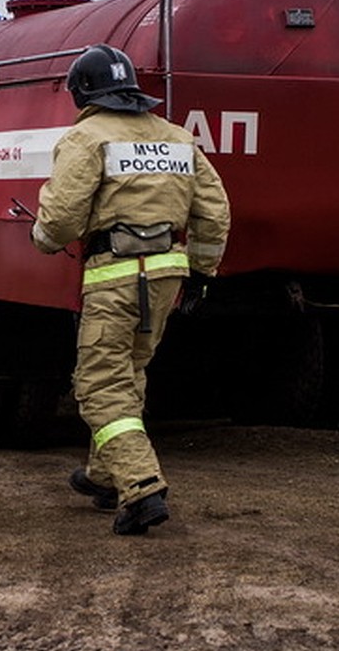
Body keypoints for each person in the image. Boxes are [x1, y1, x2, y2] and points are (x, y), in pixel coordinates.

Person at [31, 44, 231, 536]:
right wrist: (202, 273)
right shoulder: (177, 138)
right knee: (130, 371)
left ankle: (141, 486)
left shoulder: (86, 137)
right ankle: (104, 477)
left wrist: (41, 238)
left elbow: (58, 222)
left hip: (115, 275)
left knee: (98, 383)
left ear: (83, 93)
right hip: (167, 275)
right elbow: (215, 213)